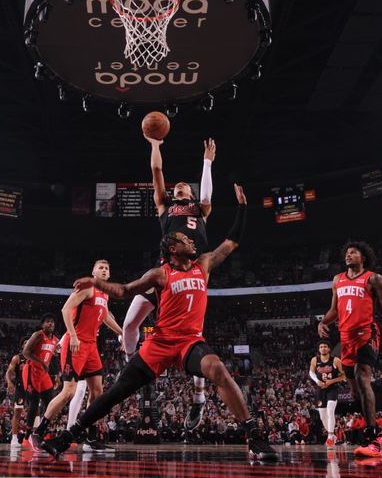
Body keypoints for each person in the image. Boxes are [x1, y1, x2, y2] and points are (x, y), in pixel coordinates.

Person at [43, 185, 278, 462]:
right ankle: (68, 436)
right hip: (160, 342)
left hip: (189, 342)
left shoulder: (203, 263)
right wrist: (95, 281)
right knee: (117, 391)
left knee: (217, 369)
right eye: (183, 239)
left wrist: (242, 208)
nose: (192, 241)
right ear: (172, 248)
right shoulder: (160, 274)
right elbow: (124, 290)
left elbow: (232, 242)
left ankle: (254, 436)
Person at [121, 136, 217, 432]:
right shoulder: (165, 206)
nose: (179, 187)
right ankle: (130, 363)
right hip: (165, 274)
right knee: (128, 326)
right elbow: (157, 174)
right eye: (178, 187)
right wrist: (154, 145)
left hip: (191, 277)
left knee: (195, 341)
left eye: (185, 187)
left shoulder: (201, 210)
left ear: (192, 193)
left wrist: (207, 163)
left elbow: (206, 194)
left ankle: (199, 399)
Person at [318, 241, 382, 458]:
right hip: (346, 339)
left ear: (363, 257)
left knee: (362, 376)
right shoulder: (338, 280)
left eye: (353, 252)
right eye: (346, 252)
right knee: (355, 390)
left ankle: (372, 437)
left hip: (367, 333)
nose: (348, 255)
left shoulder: (373, 278)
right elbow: (334, 310)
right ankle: (381, 431)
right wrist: (323, 322)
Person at [31, 260, 123, 453]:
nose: (104, 270)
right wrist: (72, 335)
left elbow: (105, 316)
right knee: (69, 392)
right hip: (76, 344)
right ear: (93, 272)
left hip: (91, 347)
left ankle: (90, 437)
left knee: (98, 392)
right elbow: (65, 309)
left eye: (107, 268)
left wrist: (121, 332)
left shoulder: (104, 293)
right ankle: (38, 433)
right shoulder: (87, 288)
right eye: (101, 268)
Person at [21, 314, 59, 445]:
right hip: (32, 369)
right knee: (34, 402)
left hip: (44, 373)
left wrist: (58, 375)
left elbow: (53, 357)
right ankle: (28, 433)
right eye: (48, 322)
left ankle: (40, 431)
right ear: (42, 324)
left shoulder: (55, 340)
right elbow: (26, 352)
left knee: (51, 402)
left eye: (52, 322)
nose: (50, 324)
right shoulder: (38, 335)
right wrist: (41, 362)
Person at [309, 340, 345, 449]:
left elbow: (344, 376)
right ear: (319, 349)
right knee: (323, 416)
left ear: (329, 349)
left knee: (330, 410)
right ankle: (332, 434)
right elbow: (311, 372)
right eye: (321, 347)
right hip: (320, 389)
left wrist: (332, 381)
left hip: (332, 388)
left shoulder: (336, 360)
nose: (323, 348)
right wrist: (316, 381)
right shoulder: (315, 360)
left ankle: (329, 436)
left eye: (325, 346)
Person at [5, 338, 29, 448]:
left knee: (36, 412)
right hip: (21, 387)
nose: (28, 343)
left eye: (29, 341)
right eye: (25, 342)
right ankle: (14, 438)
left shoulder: (36, 357)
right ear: (22, 345)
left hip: (33, 387)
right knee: (17, 412)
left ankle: (33, 437)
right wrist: (10, 382)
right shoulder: (17, 358)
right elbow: (8, 372)